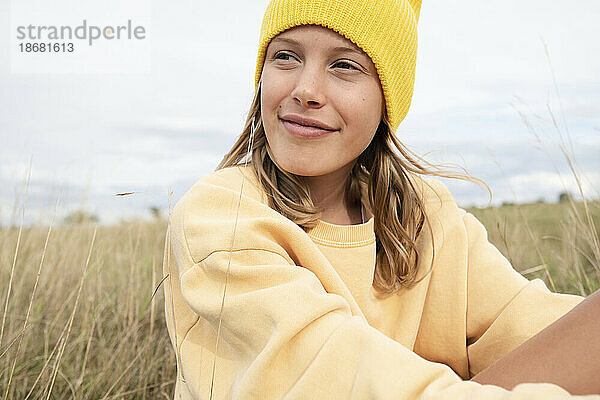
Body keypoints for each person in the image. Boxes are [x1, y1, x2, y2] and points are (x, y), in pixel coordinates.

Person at [162, 0, 600, 398]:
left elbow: (533, 326)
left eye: (345, 66)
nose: (305, 89)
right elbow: (333, 377)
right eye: (286, 56)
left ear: (388, 98)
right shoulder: (220, 214)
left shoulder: (427, 216)